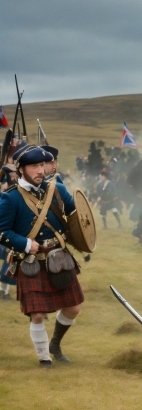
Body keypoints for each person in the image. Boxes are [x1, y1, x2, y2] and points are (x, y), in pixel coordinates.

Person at [0, 144, 85, 366]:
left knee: (73, 307)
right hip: (32, 261)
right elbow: (2, 231)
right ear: (21, 169)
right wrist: (25, 244)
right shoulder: (10, 198)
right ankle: (44, 358)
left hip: (59, 257)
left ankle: (55, 343)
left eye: (42, 165)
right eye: (34, 166)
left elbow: (76, 215)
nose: (41, 170)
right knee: (37, 314)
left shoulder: (57, 189)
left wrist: (83, 234)